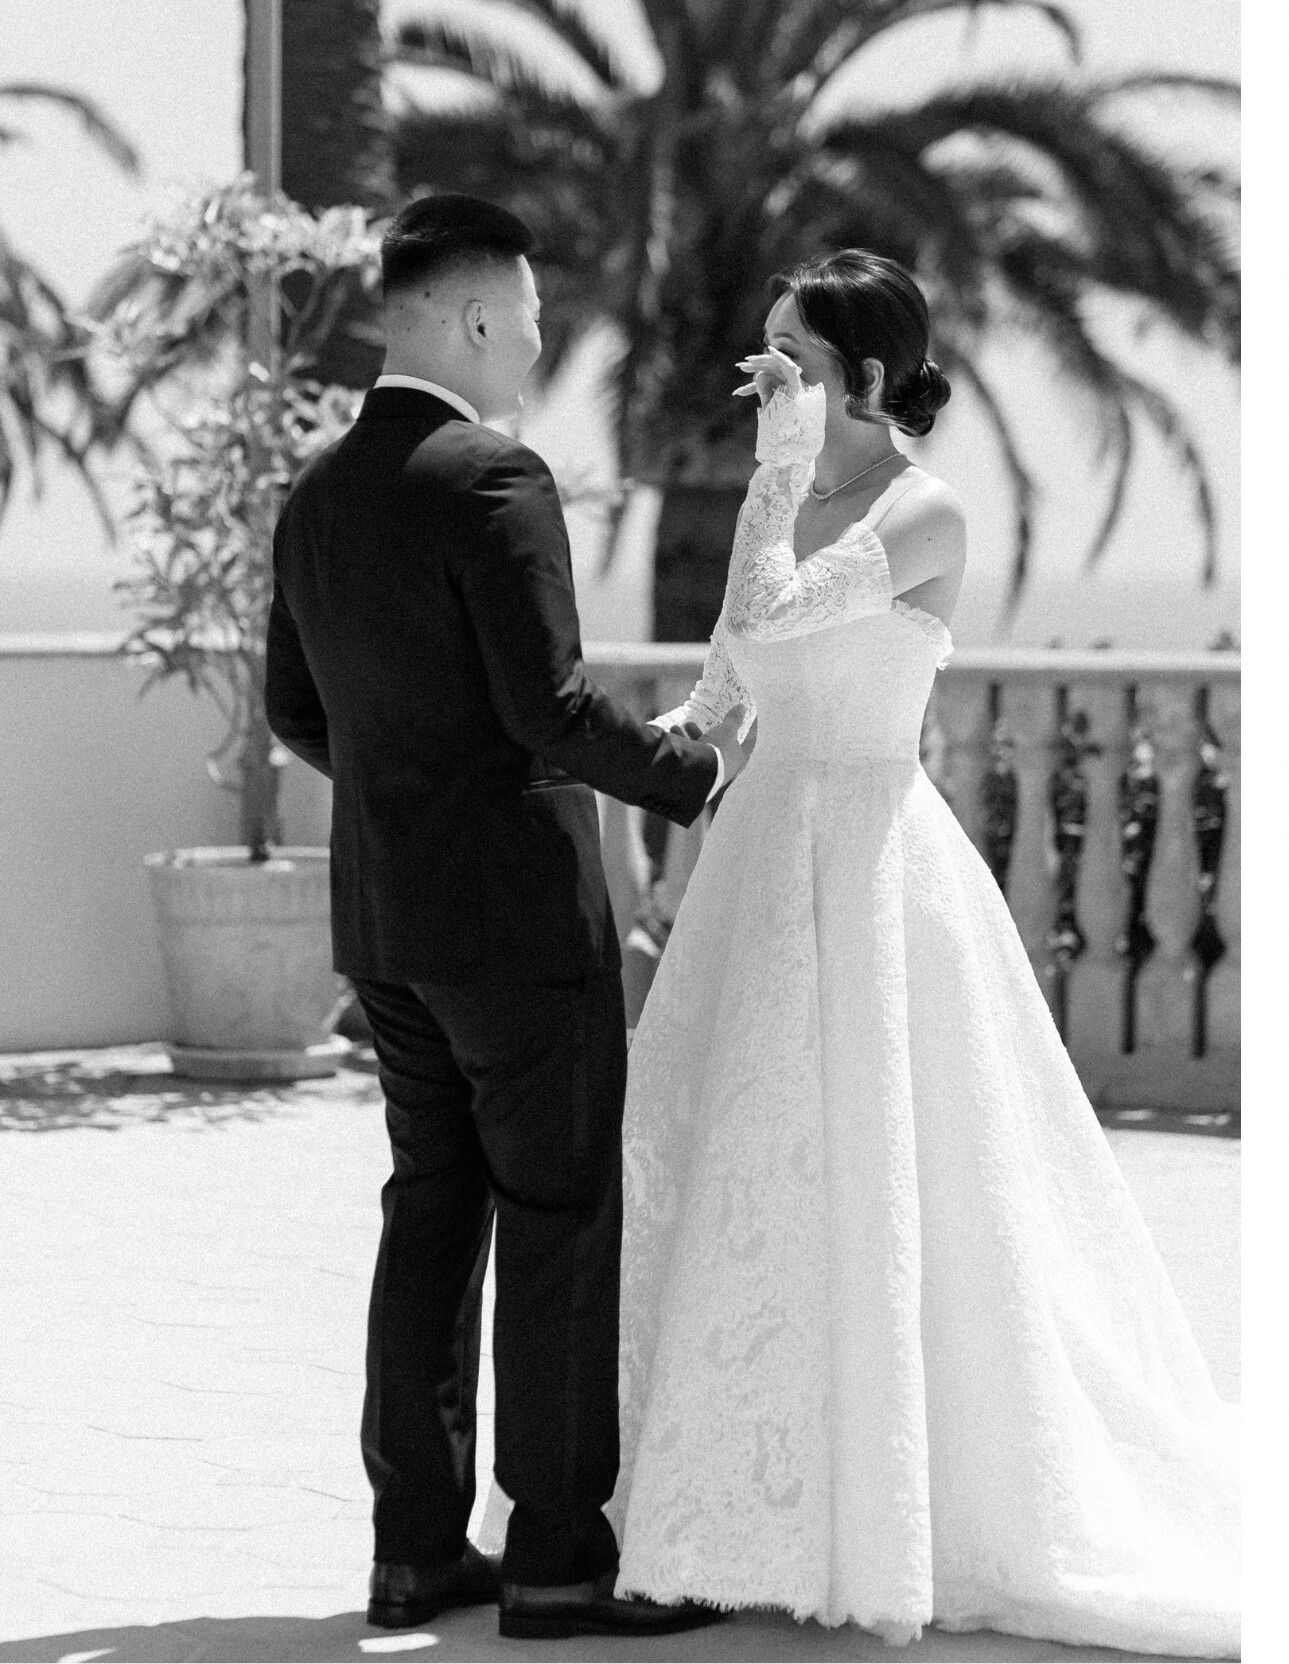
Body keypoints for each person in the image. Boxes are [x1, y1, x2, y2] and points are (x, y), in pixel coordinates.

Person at [572, 249, 1238, 1656]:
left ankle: (869, 1508)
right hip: (759, 858)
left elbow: (787, 611)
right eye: (763, 357)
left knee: (875, 1175)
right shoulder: (794, 500)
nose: (769, 384)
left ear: (869, 380)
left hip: (874, 861)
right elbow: (726, 683)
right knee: (730, 1166)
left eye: (794, 364)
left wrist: (770, 474)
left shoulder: (923, 510)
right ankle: (699, 1514)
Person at [265, 192, 740, 1641]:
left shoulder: (317, 489)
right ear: (473, 320)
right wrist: (690, 770)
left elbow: (297, 709)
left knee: (430, 1212)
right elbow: (547, 707)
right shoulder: (495, 479)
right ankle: (554, 1563)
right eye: (530, 320)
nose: (539, 346)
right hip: (522, 930)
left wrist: (415, 795)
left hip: (389, 927)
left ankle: (413, 1551)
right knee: (557, 1223)